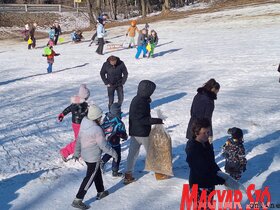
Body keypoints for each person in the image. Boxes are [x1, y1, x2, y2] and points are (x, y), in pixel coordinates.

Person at [72, 104, 118, 209]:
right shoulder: (97, 130)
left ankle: (101, 191)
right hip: (93, 157)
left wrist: (76, 153)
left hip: (86, 154)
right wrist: (114, 154)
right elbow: (104, 146)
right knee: (90, 177)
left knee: (96, 173)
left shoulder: (84, 123)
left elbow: (78, 140)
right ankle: (78, 199)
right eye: (100, 117)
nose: (101, 118)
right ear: (96, 118)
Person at [123, 80, 163, 184]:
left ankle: (128, 174)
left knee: (132, 154)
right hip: (143, 133)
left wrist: (147, 100)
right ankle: (159, 172)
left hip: (134, 131)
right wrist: (156, 120)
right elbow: (142, 119)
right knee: (152, 152)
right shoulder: (141, 102)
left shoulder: (137, 99)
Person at [185, 118, 225, 205]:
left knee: (209, 205)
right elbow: (201, 171)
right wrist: (217, 179)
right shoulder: (193, 149)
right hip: (199, 185)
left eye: (208, 132)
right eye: (204, 133)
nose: (207, 135)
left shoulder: (206, 144)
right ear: (196, 133)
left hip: (208, 184)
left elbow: (211, 162)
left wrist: (220, 173)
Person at [58, 84, 90, 161]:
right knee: (79, 141)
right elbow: (83, 114)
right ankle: (65, 152)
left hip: (76, 124)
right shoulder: (82, 105)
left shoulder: (76, 102)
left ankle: (80, 152)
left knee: (83, 139)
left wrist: (62, 114)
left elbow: (68, 108)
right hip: (79, 124)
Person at [186, 78, 220, 143]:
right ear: (213, 89)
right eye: (217, 91)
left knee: (192, 148)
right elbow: (208, 118)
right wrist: (210, 134)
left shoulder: (198, 95)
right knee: (202, 150)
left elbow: (192, 110)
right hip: (202, 130)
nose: (217, 93)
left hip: (192, 125)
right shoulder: (209, 100)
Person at [100, 103, 128, 177]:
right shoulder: (119, 122)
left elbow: (102, 127)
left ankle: (102, 162)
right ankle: (115, 172)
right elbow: (124, 134)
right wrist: (124, 136)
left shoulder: (106, 117)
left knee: (110, 152)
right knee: (117, 156)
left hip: (107, 141)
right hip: (115, 142)